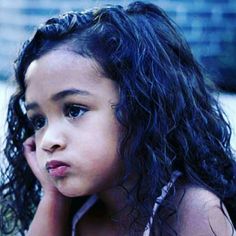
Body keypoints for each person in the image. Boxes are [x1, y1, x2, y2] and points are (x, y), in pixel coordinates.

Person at [0, 1, 236, 235]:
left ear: (140, 106)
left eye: (74, 110)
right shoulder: (76, 207)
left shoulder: (192, 210)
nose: (48, 141)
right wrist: (53, 198)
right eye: (39, 121)